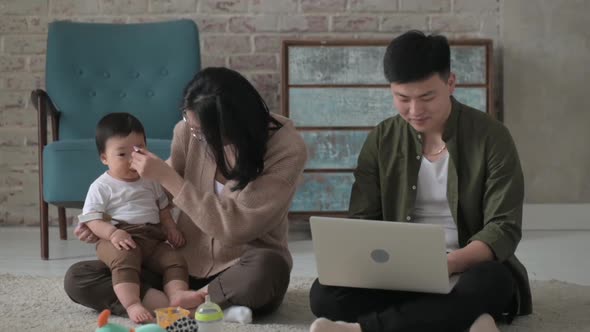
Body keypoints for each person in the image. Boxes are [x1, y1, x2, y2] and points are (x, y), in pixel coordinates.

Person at [308, 30, 532, 332]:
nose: (414, 111)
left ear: (450, 83)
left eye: (427, 97)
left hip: (469, 265)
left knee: (491, 284)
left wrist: (448, 264)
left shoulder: (492, 137)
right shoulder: (381, 139)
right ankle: (466, 319)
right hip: (396, 271)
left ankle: (363, 330)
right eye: (402, 98)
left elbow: (503, 227)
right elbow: (363, 219)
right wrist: (382, 267)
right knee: (324, 295)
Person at [64, 67, 308, 323]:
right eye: (188, 123)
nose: (193, 133)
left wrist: (167, 177)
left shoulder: (286, 149)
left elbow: (237, 228)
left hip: (240, 268)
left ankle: (192, 301)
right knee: (79, 277)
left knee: (269, 268)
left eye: (201, 132)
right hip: (181, 266)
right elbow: (158, 199)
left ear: (230, 127)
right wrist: (105, 224)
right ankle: (197, 306)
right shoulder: (188, 131)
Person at [78, 112, 200, 323]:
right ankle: (133, 303)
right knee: (125, 260)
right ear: (104, 158)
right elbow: (93, 220)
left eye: (138, 150)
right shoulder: (101, 186)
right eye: (122, 154)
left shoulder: (150, 179)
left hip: (153, 237)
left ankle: (176, 295)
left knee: (174, 259)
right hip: (120, 238)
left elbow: (163, 210)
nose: (131, 159)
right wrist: (112, 232)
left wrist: (171, 228)